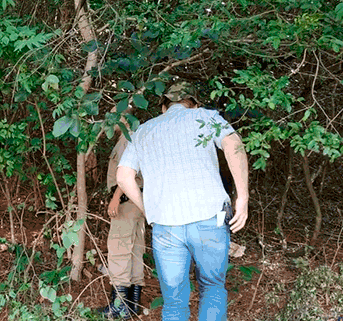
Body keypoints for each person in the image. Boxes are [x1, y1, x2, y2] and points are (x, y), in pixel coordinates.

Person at [116, 81, 249, 321]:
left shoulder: (144, 130)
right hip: (209, 218)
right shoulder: (205, 117)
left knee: (174, 303)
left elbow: (123, 176)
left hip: (166, 226)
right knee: (212, 288)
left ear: (164, 107)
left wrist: (148, 210)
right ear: (194, 103)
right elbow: (233, 144)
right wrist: (243, 197)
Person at [100, 127, 146, 319]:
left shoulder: (128, 138)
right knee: (135, 250)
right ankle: (132, 305)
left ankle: (119, 305)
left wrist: (116, 198)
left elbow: (128, 172)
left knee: (119, 250)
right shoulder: (138, 136)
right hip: (139, 200)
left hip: (127, 200)